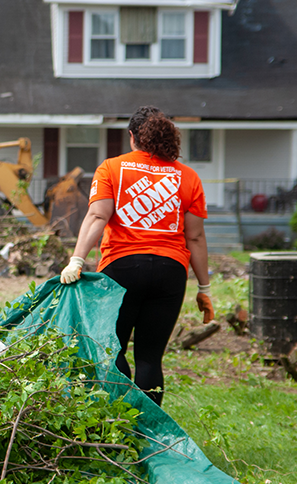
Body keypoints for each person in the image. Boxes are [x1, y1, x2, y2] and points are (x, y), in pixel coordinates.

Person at [59, 106, 214, 406]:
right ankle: (149, 433)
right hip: (170, 273)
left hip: (122, 269)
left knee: (113, 350)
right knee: (149, 358)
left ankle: (118, 425)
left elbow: (96, 217)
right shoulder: (189, 177)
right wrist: (204, 288)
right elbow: (194, 236)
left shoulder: (112, 168)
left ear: (132, 137)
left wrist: (76, 260)